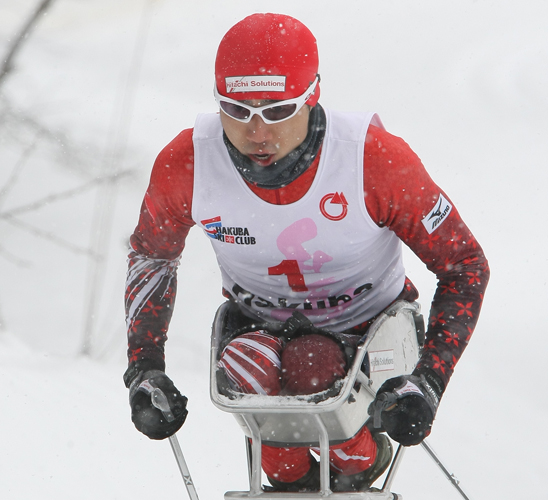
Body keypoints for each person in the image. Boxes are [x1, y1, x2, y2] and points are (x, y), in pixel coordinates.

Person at [123, 13, 489, 493]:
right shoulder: (187, 162)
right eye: (237, 109)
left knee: (310, 362)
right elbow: (151, 257)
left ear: (312, 96)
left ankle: (360, 459)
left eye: (277, 110)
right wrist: (145, 369)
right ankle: (287, 476)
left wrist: (429, 380)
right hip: (260, 330)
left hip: (370, 330)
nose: (257, 131)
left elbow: (465, 264)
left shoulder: (372, 158)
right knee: (246, 366)